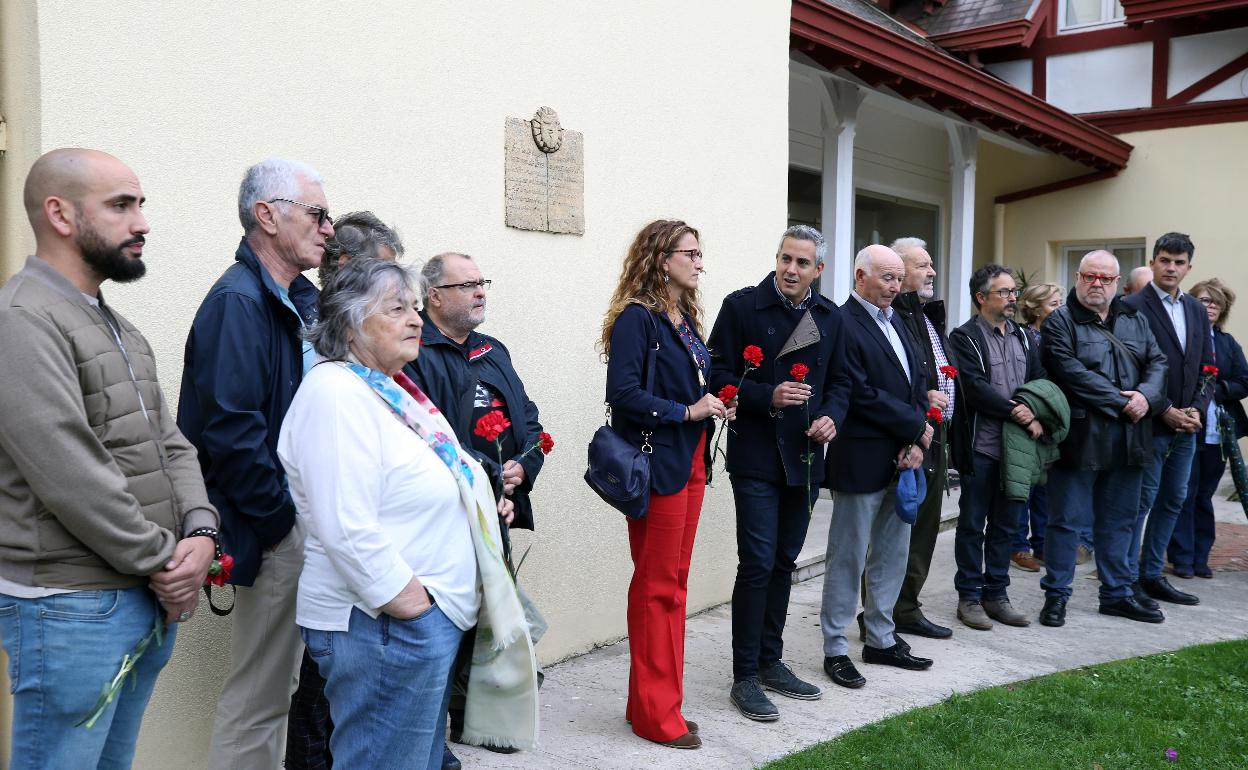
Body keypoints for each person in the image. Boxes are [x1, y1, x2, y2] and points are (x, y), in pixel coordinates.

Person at [0, 148, 219, 767]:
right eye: (121, 205)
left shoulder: (118, 326)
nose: (142, 221)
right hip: (71, 606)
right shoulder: (23, 319)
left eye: (140, 204)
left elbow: (169, 443)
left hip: (139, 596)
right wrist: (166, 565)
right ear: (59, 215)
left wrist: (202, 534)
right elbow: (68, 470)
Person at [278, 258, 538, 770]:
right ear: (352, 322)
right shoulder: (335, 395)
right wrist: (411, 605)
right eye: (398, 309)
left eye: (416, 308)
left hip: (410, 625)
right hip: (383, 625)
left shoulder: (386, 387)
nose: (417, 320)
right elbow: (343, 523)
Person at [178, 157, 331, 769]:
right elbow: (231, 432)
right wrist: (279, 524)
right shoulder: (239, 302)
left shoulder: (296, 300)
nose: (327, 227)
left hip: (292, 525)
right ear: (266, 216)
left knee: (277, 692)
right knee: (259, 697)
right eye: (316, 213)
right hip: (274, 528)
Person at [409, 251, 547, 766]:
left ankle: (477, 720)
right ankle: (431, 741)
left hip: (499, 502)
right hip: (450, 509)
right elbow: (430, 435)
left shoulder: (493, 350)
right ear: (434, 297)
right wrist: (489, 480)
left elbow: (529, 420)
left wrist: (521, 471)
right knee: (445, 626)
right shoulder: (418, 351)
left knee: (489, 617)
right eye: (465, 284)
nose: (479, 291)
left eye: (481, 282)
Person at [708, 225, 848, 722]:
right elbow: (717, 376)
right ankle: (745, 675)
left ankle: (771, 660)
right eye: (785, 259)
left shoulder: (831, 318)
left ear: (818, 270)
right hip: (756, 456)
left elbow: (841, 382)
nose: (790, 269)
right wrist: (768, 394)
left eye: (802, 263)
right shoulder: (742, 306)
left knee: (785, 561)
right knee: (759, 561)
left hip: (807, 457)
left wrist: (834, 416)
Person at [600, 219, 728, 749]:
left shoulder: (683, 319)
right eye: (690, 253)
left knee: (671, 585)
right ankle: (658, 716)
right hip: (660, 467)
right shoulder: (639, 319)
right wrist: (686, 409)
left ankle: (652, 703)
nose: (699, 262)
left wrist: (715, 399)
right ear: (660, 258)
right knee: (657, 589)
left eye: (700, 254)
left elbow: (693, 384)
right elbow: (623, 393)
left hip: (691, 461)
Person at [285, 211, 406, 770]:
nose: (401, 304)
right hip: (331, 555)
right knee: (321, 695)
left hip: (368, 558)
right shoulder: (325, 360)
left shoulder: (375, 361)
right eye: (384, 285)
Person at [821, 244, 934, 690]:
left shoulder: (900, 320)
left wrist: (914, 439)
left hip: (904, 457)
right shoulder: (843, 322)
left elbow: (917, 381)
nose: (895, 285)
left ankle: (882, 638)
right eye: (886, 277)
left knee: (892, 554)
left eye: (898, 277)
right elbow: (859, 392)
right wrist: (915, 425)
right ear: (859, 275)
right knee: (848, 558)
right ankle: (835, 648)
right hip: (861, 458)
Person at [1038, 251, 1167, 626]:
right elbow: (1068, 371)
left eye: (1105, 278)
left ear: (1117, 282)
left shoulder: (1134, 317)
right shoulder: (1060, 321)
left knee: (1120, 521)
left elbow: (1158, 363)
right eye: (1090, 276)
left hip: (1130, 438)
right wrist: (1121, 403)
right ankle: (1056, 596)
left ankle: (1116, 594)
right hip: (1080, 437)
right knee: (1065, 522)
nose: (1097, 284)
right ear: (1078, 277)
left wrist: (1146, 397)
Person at [947, 265, 1045, 630]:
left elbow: (1038, 380)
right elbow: (974, 388)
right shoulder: (964, 338)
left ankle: (997, 594)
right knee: (973, 524)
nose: (1012, 299)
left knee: (1007, 525)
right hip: (982, 448)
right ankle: (969, 597)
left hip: (1017, 451)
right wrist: (1020, 413)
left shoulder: (1023, 336)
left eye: (1013, 292)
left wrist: (1034, 408)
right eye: (1003, 292)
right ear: (981, 297)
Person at [1123, 232, 1214, 608]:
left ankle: (1152, 574)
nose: (1171, 268)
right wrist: (1165, 410)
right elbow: (1127, 371)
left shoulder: (1195, 308)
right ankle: (1126, 582)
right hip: (1149, 424)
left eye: (1179, 263)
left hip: (1187, 427)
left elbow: (1208, 366)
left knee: (1174, 499)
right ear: (1153, 261)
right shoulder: (1130, 306)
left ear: (1188, 267)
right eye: (1165, 260)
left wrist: (1197, 409)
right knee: (1141, 502)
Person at [889, 236, 957, 640]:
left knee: (926, 527)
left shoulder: (927, 315)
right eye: (923, 265)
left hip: (936, 436)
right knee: (896, 529)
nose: (931, 272)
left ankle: (907, 607)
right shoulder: (893, 317)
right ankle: (881, 612)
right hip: (910, 436)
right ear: (898, 271)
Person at [1168, 278, 1248, 578]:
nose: (1210, 306)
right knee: (1183, 495)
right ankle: (1182, 557)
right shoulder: (1184, 338)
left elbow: (1244, 380)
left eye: (1216, 302)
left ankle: (1200, 557)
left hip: (1217, 434)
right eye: (1204, 300)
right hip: (1187, 428)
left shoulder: (1227, 343)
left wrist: (1216, 388)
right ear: (1192, 304)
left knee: (1203, 496)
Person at [1011, 283, 1064, 572]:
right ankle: (1018, 546)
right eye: (1054, 304)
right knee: (1026, 484)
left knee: (1044, 486)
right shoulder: (1026, 337)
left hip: (1052, 418)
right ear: (1035, 308)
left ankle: (1042, 543)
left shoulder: (1058, 336)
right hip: (1028, 416)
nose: (1060, 309)